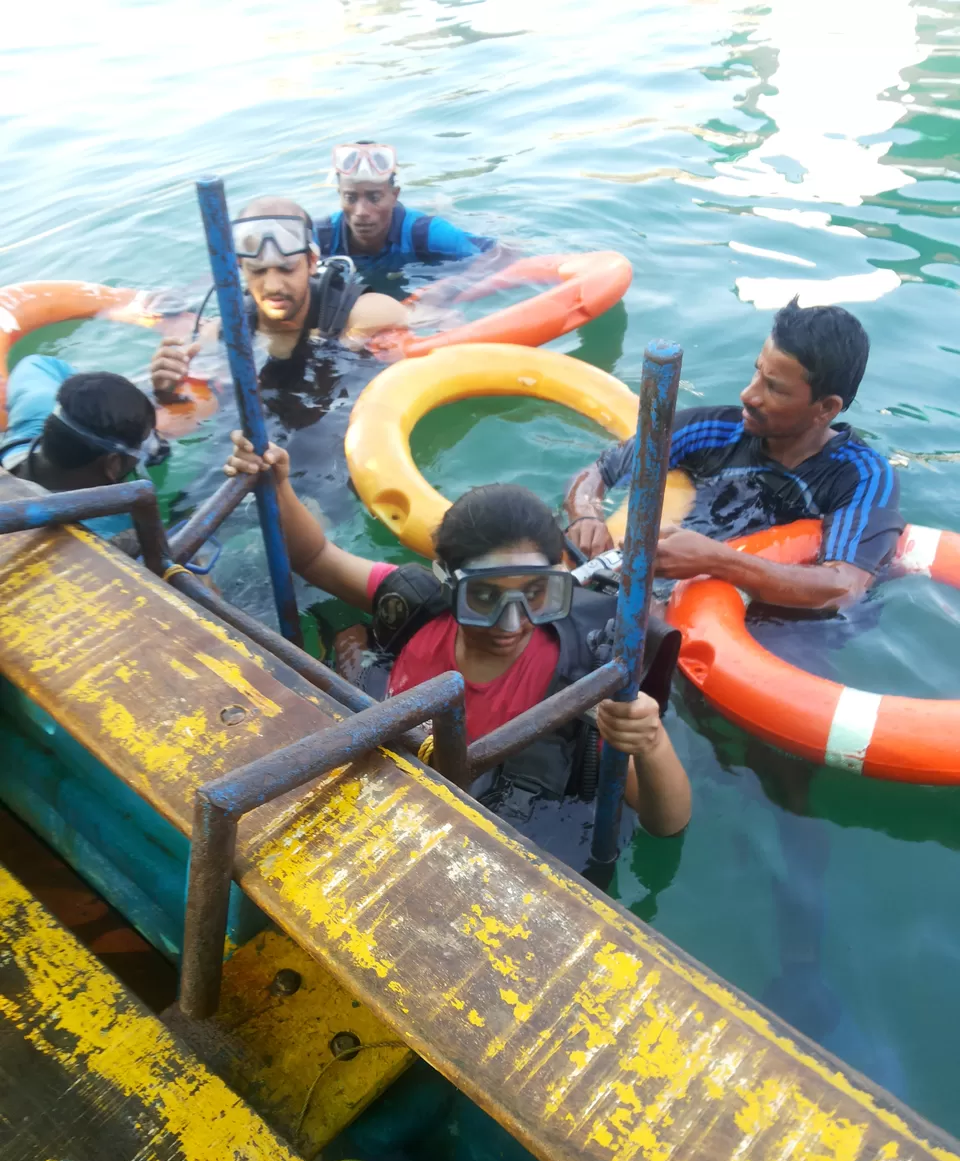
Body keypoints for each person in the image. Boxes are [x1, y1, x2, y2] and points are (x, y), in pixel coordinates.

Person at [224, 431, 691, 855]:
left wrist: (650, 743)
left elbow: (666, 824)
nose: (512, 622)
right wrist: (278, 484)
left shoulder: (584, 679)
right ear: (448, 584)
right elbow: (316, 557)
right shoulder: (418, 605)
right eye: (485, 597)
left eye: (535, 594)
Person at [565, 299, 903, 610]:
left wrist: (717, 561)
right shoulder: (711, 429)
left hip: (760, 622)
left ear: (826, 408)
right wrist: (586, 515)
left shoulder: (861, 476)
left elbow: (844, 588)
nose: (748, 394)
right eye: (757, 372)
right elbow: (600, 472)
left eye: (774, 387)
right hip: (663, 593)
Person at [149, 196, 411, 412]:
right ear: (241, 268)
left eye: (286, 269)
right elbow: (198, 416)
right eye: (258, 271)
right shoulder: (223, 334)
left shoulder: (367, 314)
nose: (273, 286)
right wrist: (167, 392)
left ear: (310, 262)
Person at [0, 355, 162, 538]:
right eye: (145, 442)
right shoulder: (114, 534)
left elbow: (38, 363)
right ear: (113, 464)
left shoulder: (35, 406)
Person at [315, 142, 496, 270]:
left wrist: (443, 292)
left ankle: (442, 206)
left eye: (374, 197)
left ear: (394, 196)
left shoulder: (426, 233)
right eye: (351, 198)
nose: (361, 212)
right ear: (339, 195)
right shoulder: (320, 237)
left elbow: (499, 254)